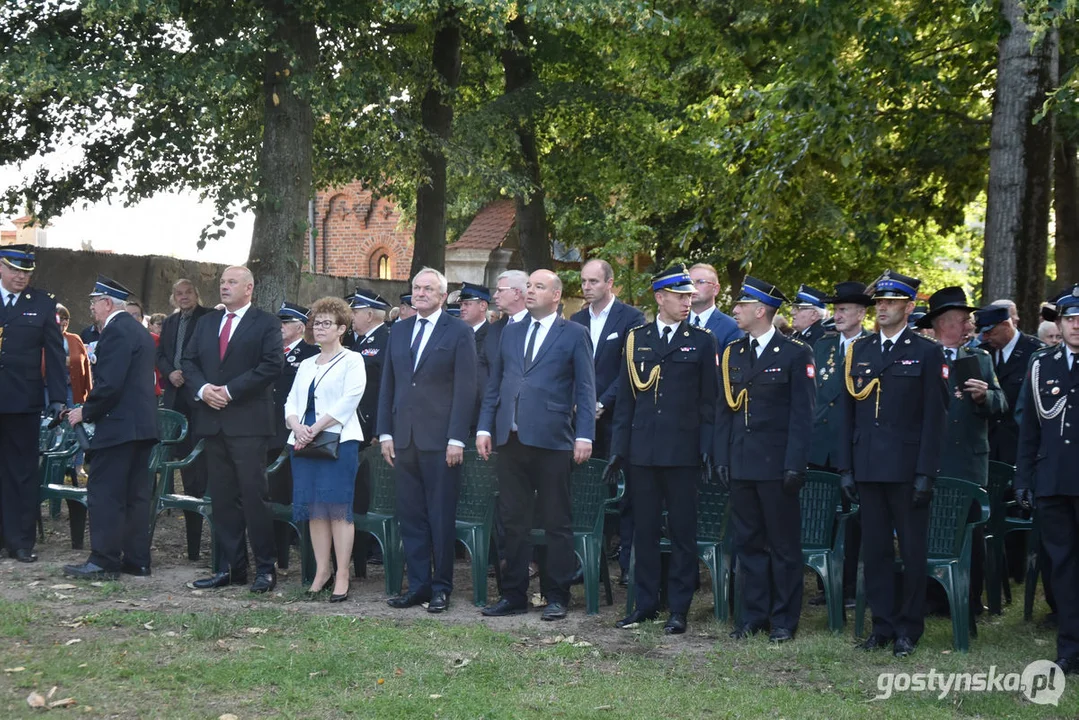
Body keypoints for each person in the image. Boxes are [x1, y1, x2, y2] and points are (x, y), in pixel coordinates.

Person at [837, 270, 948, 658]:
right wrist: (846, 468)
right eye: (879, 302)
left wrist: (926, 472)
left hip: (906, 468)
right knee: (877, 550)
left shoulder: (927, 351)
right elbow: (847, 414)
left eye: (890, 302)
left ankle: (908, 629)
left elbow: (936, 418)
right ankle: (882, 625)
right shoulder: (860, 350)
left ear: (909, 307)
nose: (881, 308)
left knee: (913, 552)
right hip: (867, 464)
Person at [477, 269, 596, 620]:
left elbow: (586, 390)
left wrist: (584, 434)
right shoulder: (510, 333)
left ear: (556, 295)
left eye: (538, 287)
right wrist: (485, 427)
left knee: (556, 520)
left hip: (553, 440)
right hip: (511, 439)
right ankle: (513, 594)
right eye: (528, 286)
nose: (530, 291)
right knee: (513, 520)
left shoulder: (574, 334)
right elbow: (495, 386)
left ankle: (557, 594)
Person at [604, 265, 716, 634]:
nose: (688, 301)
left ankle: (679, 608)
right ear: (660, 298)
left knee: (683, 534)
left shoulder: (702, 341)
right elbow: (626, 401)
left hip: (682, 454)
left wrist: (705, 449)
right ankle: (646, 603)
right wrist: (619, 451)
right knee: (644, 533)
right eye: (680, 296)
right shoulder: (637, 338)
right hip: (643, 453)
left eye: (689, 296)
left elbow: (708, 403)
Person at [716, 277, 815, 643]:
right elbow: (724, 409)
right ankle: (753, 616)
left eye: (742, 305)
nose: (735, 310)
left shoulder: (794, 353)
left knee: (784, 547)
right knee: (749, 544)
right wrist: (722, 455)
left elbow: (802, 416)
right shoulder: (733, 353)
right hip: (742, 463)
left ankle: (784, 620)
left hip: (777, 466)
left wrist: (795, 464)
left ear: (761, 311)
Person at [378, 268, 477, 613]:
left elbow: (466, 389)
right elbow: (388, 384)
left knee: (440, 516)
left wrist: (456, 438)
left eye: (427, 289)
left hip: (440, 441)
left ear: (442, 295)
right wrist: (385, 432)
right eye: (416, 288)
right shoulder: (400, 329)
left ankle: (441, 587)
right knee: (411, 516)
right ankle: (418, 586)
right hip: (403, 438)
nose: (419, 293)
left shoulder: (459, 332)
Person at [182, 266, 284, 593]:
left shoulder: (266, 323)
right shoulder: (207, 321)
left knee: (254, 498)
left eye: (231, 282)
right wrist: (202, 390)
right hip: (213, 423)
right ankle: (231, 568)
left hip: (248, 425)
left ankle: (265, 569)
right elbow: (188, 362)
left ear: (249, 288)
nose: (224, 287)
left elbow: (271, 366)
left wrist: (229, 390)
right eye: (222, 282)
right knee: (223, 500)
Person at [917, 287, 1006, 623]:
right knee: (928, 529)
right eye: (963, 319)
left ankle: (969, 599)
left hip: (968, 463)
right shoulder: (924, 356)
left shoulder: (980, 359)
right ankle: (931, 598)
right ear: (943, 323)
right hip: (931, 460)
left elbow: (1003, 405)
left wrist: (986, 397)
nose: (970, 325)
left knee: (970, 532)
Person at [62, 276, 160, 579]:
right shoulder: (138, 330)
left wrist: (85, 412)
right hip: (141, 427)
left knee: (105, 492)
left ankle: (103, 560)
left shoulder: (116, 331)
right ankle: (137, 559)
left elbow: (110, 384)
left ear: (107, 303)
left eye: (93, 303)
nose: (91, 309)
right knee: (135, 496)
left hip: (118, 427)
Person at [1015, 285, 1079, 673]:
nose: (1076, 327)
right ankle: (1069, 648)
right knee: (1063, 568)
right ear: (1059, 323)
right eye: (1071, 319)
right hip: (1053, 483)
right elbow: (1030, 430)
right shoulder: (1042, 364)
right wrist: (1024, 477)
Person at [285, 297, 366, 601]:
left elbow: (350, 399)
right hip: (303, 444)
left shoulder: (352, 360)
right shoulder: (306, 363)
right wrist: (297, 427)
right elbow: (290, 401)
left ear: (341, 328)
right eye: (316, 323)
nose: (319, 328)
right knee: (314, 509)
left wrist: (316, 428)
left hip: (337, 442)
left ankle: (343, 574)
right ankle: (323, 570)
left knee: (337, 509)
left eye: (326, 323)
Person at [807, 281, 872, 606]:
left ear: (862, 313)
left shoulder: (872, 346)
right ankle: (825, 584)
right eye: (836, 309)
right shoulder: (823, 346)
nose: (838, 315)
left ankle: (850, 585)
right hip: (821, 444)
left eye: (845, 309)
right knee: (824, 517)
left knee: (855, 519)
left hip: (855, 446)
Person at [0, 244, 66, 562]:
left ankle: (20, 541)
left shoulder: (41, 304)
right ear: (1, 267)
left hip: (22, 401)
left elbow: (54, 355)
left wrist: (56, 398)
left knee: (22, 472)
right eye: (14, 270)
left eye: (26, 272)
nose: (20, 277)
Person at [155, 279, 213, 560]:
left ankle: (196, 503)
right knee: (172, 453)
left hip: (197, 398)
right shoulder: (168, 322)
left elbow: (209, 356)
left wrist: (187, 376)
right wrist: (170, 373)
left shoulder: (209, 318)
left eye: (188, 292)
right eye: (178, 293)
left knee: (196, 463)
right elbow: (161, 355)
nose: (183, 297)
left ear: (196, 294)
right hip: (173, 397)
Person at [269, 301, 318, 570]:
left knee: (292, 492)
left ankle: (300, 546)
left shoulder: (311, 353)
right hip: (269, 430)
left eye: (285, 323)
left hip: (295, 433)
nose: (280, 327)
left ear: (300, 327)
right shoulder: (269, 351)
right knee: (274, 493)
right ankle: (279, 552)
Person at [347, 287, 391, 576]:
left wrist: (380, 427)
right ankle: (358, 548)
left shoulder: (386, 339)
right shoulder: (355, 341)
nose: (351, 316)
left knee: (375, 490)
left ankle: (375, 547)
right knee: (359, 491)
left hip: (372, 429)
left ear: (370, 314)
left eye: (355, 311)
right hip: (354, 426)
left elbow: (385, 388)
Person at [975, 304, 1043, 465]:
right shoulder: (982, 353)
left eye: (990, 332)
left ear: (1006, 325)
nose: (985, 338)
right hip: (989, 444)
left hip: (1020, 443)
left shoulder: (1035, 353)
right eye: (983, 333)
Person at [458, 282, 492, 427]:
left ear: (483, 306)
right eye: (461, 305)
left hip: (477, 415)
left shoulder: (493, 336)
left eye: (467, 304)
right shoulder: (456, 334)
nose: (462, 309)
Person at [688, 263, 741, 348]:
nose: (693, 287)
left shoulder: (732, 327)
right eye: (690, 283)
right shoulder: (677, 323)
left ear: (715, 289)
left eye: (700, 282)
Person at [54, 304, 93, 408]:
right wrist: (64, 360)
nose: (64, 322)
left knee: (71, 420)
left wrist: (89, 393)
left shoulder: (75, 339)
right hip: (48, 389)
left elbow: (85, 365)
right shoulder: (42, 338)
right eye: (60, 318)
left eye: (66, 318)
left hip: (72, 388)